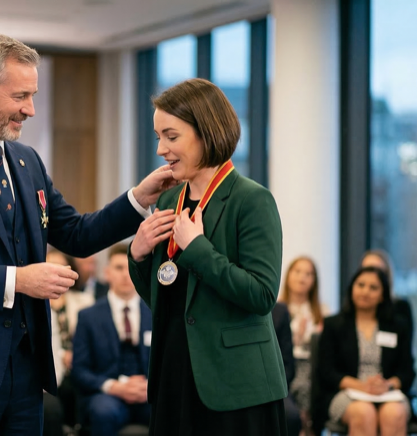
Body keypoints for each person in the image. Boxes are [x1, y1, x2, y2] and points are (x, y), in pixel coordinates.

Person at [0, 34, 174, 435]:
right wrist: (18, 280)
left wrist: (138, 198)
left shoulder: (26, 161)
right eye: (20, 96)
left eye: (33, 95)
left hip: (25, 379)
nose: (31, 109)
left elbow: (75, 233)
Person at [128, 78, 287, 436]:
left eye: (171, 136)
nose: (161, 149)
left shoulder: (252, 200)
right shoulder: (169, 199)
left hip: (236, 385)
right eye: (158, 137)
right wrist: (138, 257)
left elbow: (262, 295)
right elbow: (163, 296)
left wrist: (198, 249)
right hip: (174, 373)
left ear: (206, 133)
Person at [315, 266, 414, 436]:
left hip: (387, 392)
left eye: (373, 288)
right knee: (364, 413)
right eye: (360, 285)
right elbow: (327, 371)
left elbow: (407, 371)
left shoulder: (397, 326)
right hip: (346, 392)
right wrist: (362, 386)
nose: (365, 291)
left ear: (382, 295)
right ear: (352, 288)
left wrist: (387, 385)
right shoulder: (334, 325)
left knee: (394, 414)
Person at [73, 244, 151, 435]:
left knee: (170, 408)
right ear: (107, 273)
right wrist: (114, 387)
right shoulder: (88, 316)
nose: (125, 275)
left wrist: (150, 386)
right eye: (119, 268)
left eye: (130, 268)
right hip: (108, 393)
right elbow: (80, 370)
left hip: (147, 392)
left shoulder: (154, 313)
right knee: (103, 412)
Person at [47, 248, 94, 431]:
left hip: (78, 363)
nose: (55, 271)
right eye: (50, 266)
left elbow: (92, 340)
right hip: (49, 365)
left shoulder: (85, 301)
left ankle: (74, 428)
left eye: (61, 266)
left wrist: (76, 355)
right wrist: (61, 355)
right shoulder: (33, 302)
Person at [277, 256, 326, 434]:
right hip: (285, 365)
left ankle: (307, 425)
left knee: (310, 381)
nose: (302, 277)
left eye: (308, 274)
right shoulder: (276, 309)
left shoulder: (322, 311)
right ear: (288, 275)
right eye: (297, 271)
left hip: (313, 365)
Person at [360, 250, 413, 336]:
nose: (371, 276)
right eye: (367, 270)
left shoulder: (400, 308)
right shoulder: (351, 312)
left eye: (377, 271)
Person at [272, 302, 302, 436]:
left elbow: (288, 363)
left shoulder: (279, 311)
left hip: (273, 386)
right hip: (236, 387)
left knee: (290, 416)